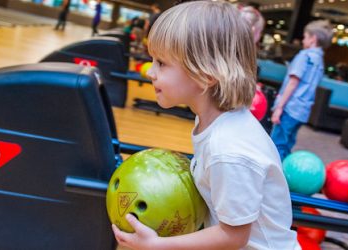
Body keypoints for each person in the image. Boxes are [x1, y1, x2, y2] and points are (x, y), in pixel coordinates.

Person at [111, 2, 300, 249]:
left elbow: (234, 236)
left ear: (206, 74)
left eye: (162, 63)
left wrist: (157, 245)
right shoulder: (212, 122)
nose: (150, 72)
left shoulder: (228, 149)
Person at [270, 20, 333, 161]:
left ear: (313, 39)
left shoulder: (304, 56)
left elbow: (293, 82)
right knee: (287, 144)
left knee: (276, 145)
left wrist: (279, 107)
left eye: (305, 37)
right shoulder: (319, 61)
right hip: (302, 112)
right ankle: (283, 175)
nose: (303, 40)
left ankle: (271, 178)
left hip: (290, 107)